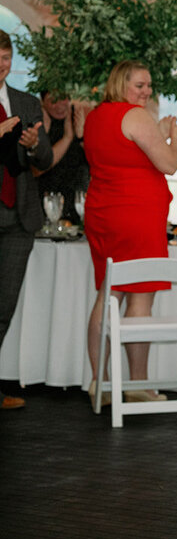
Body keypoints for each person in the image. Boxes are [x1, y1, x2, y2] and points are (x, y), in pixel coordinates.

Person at [83, 60, 177, 406]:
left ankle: (99, 382)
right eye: (139, 85)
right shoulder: (134, 115)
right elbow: (169, 164)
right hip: (136, 216)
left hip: (104, 212)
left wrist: (160, 133)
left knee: (108, 292)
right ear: (121, 84)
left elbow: (127, 155)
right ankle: (138, 385)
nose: (146, 92)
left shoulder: (96, 116)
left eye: (149, 86)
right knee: (141, 296)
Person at [0, 30, 52, 410]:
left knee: (3, 309)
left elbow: (45, 160)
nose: (0, 65)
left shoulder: (27, 102)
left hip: (19, 220)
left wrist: (34, 146)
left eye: (5, 57)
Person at [33, 90, 89, 226]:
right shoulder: (38, 123)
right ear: (43, 102)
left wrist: (82, 136)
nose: (59, 105)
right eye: (53, 100)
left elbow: (98, 163)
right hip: (48, 201)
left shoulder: (80, 117)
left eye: (63, 98)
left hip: (78, 200)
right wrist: (66, 137)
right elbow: (36, 169)